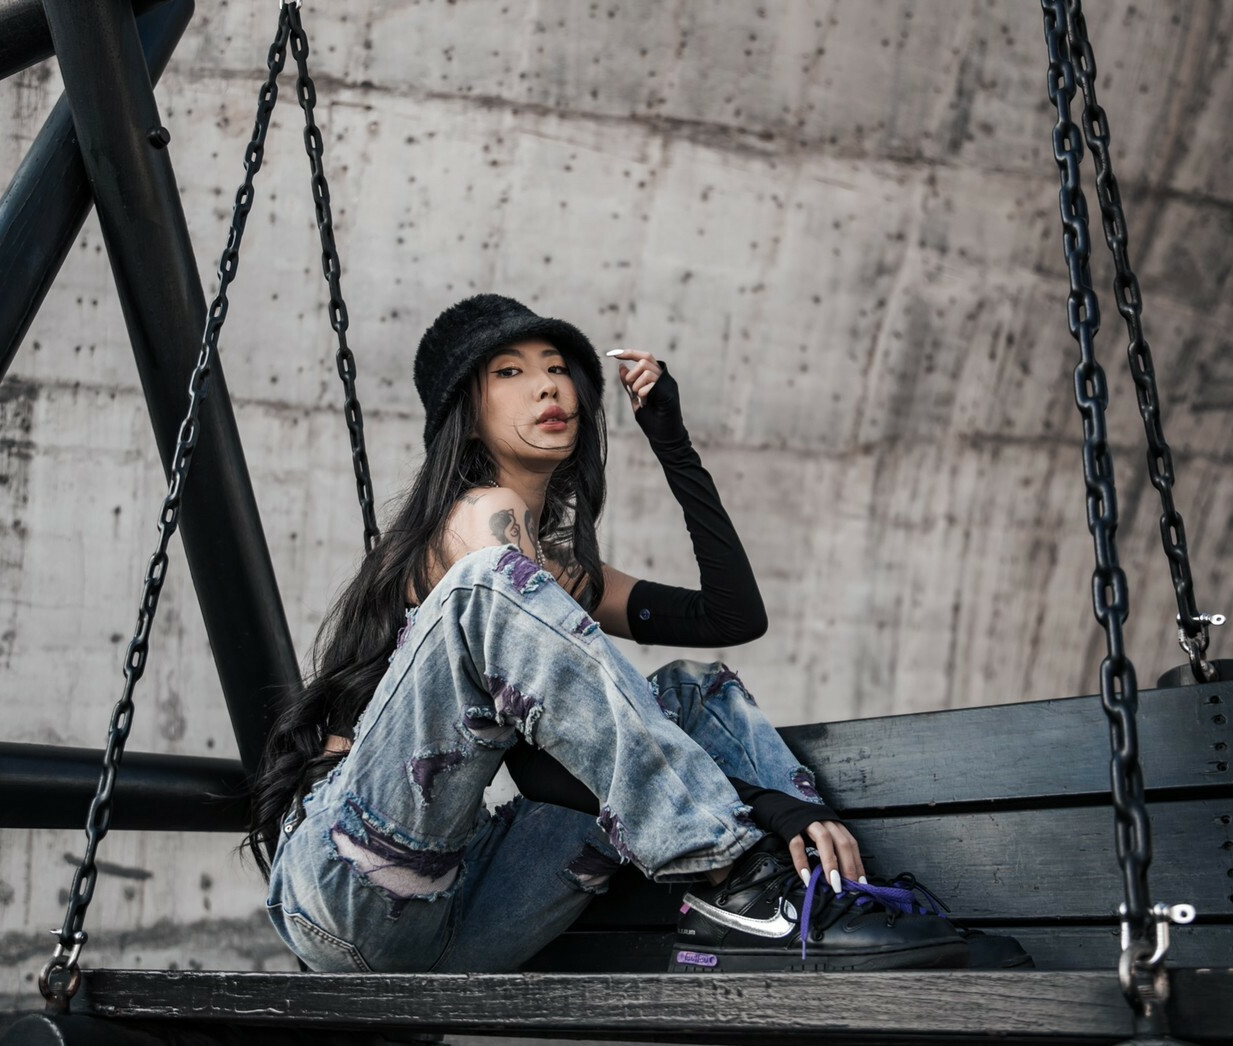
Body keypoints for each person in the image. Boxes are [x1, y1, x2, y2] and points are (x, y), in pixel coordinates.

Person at [246, 293, 1004, 975]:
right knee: (493, 585)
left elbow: (732, 616)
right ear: (465, 416)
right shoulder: (479, 527)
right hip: (348, 888)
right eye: (510, 372)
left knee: (692, 692)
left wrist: (671, 440)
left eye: (557, 368)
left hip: (461, 917)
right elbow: (546, 767)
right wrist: (767, 809)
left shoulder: (558, 574)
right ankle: (739, 876)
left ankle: (807, 900)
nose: (548, 386)